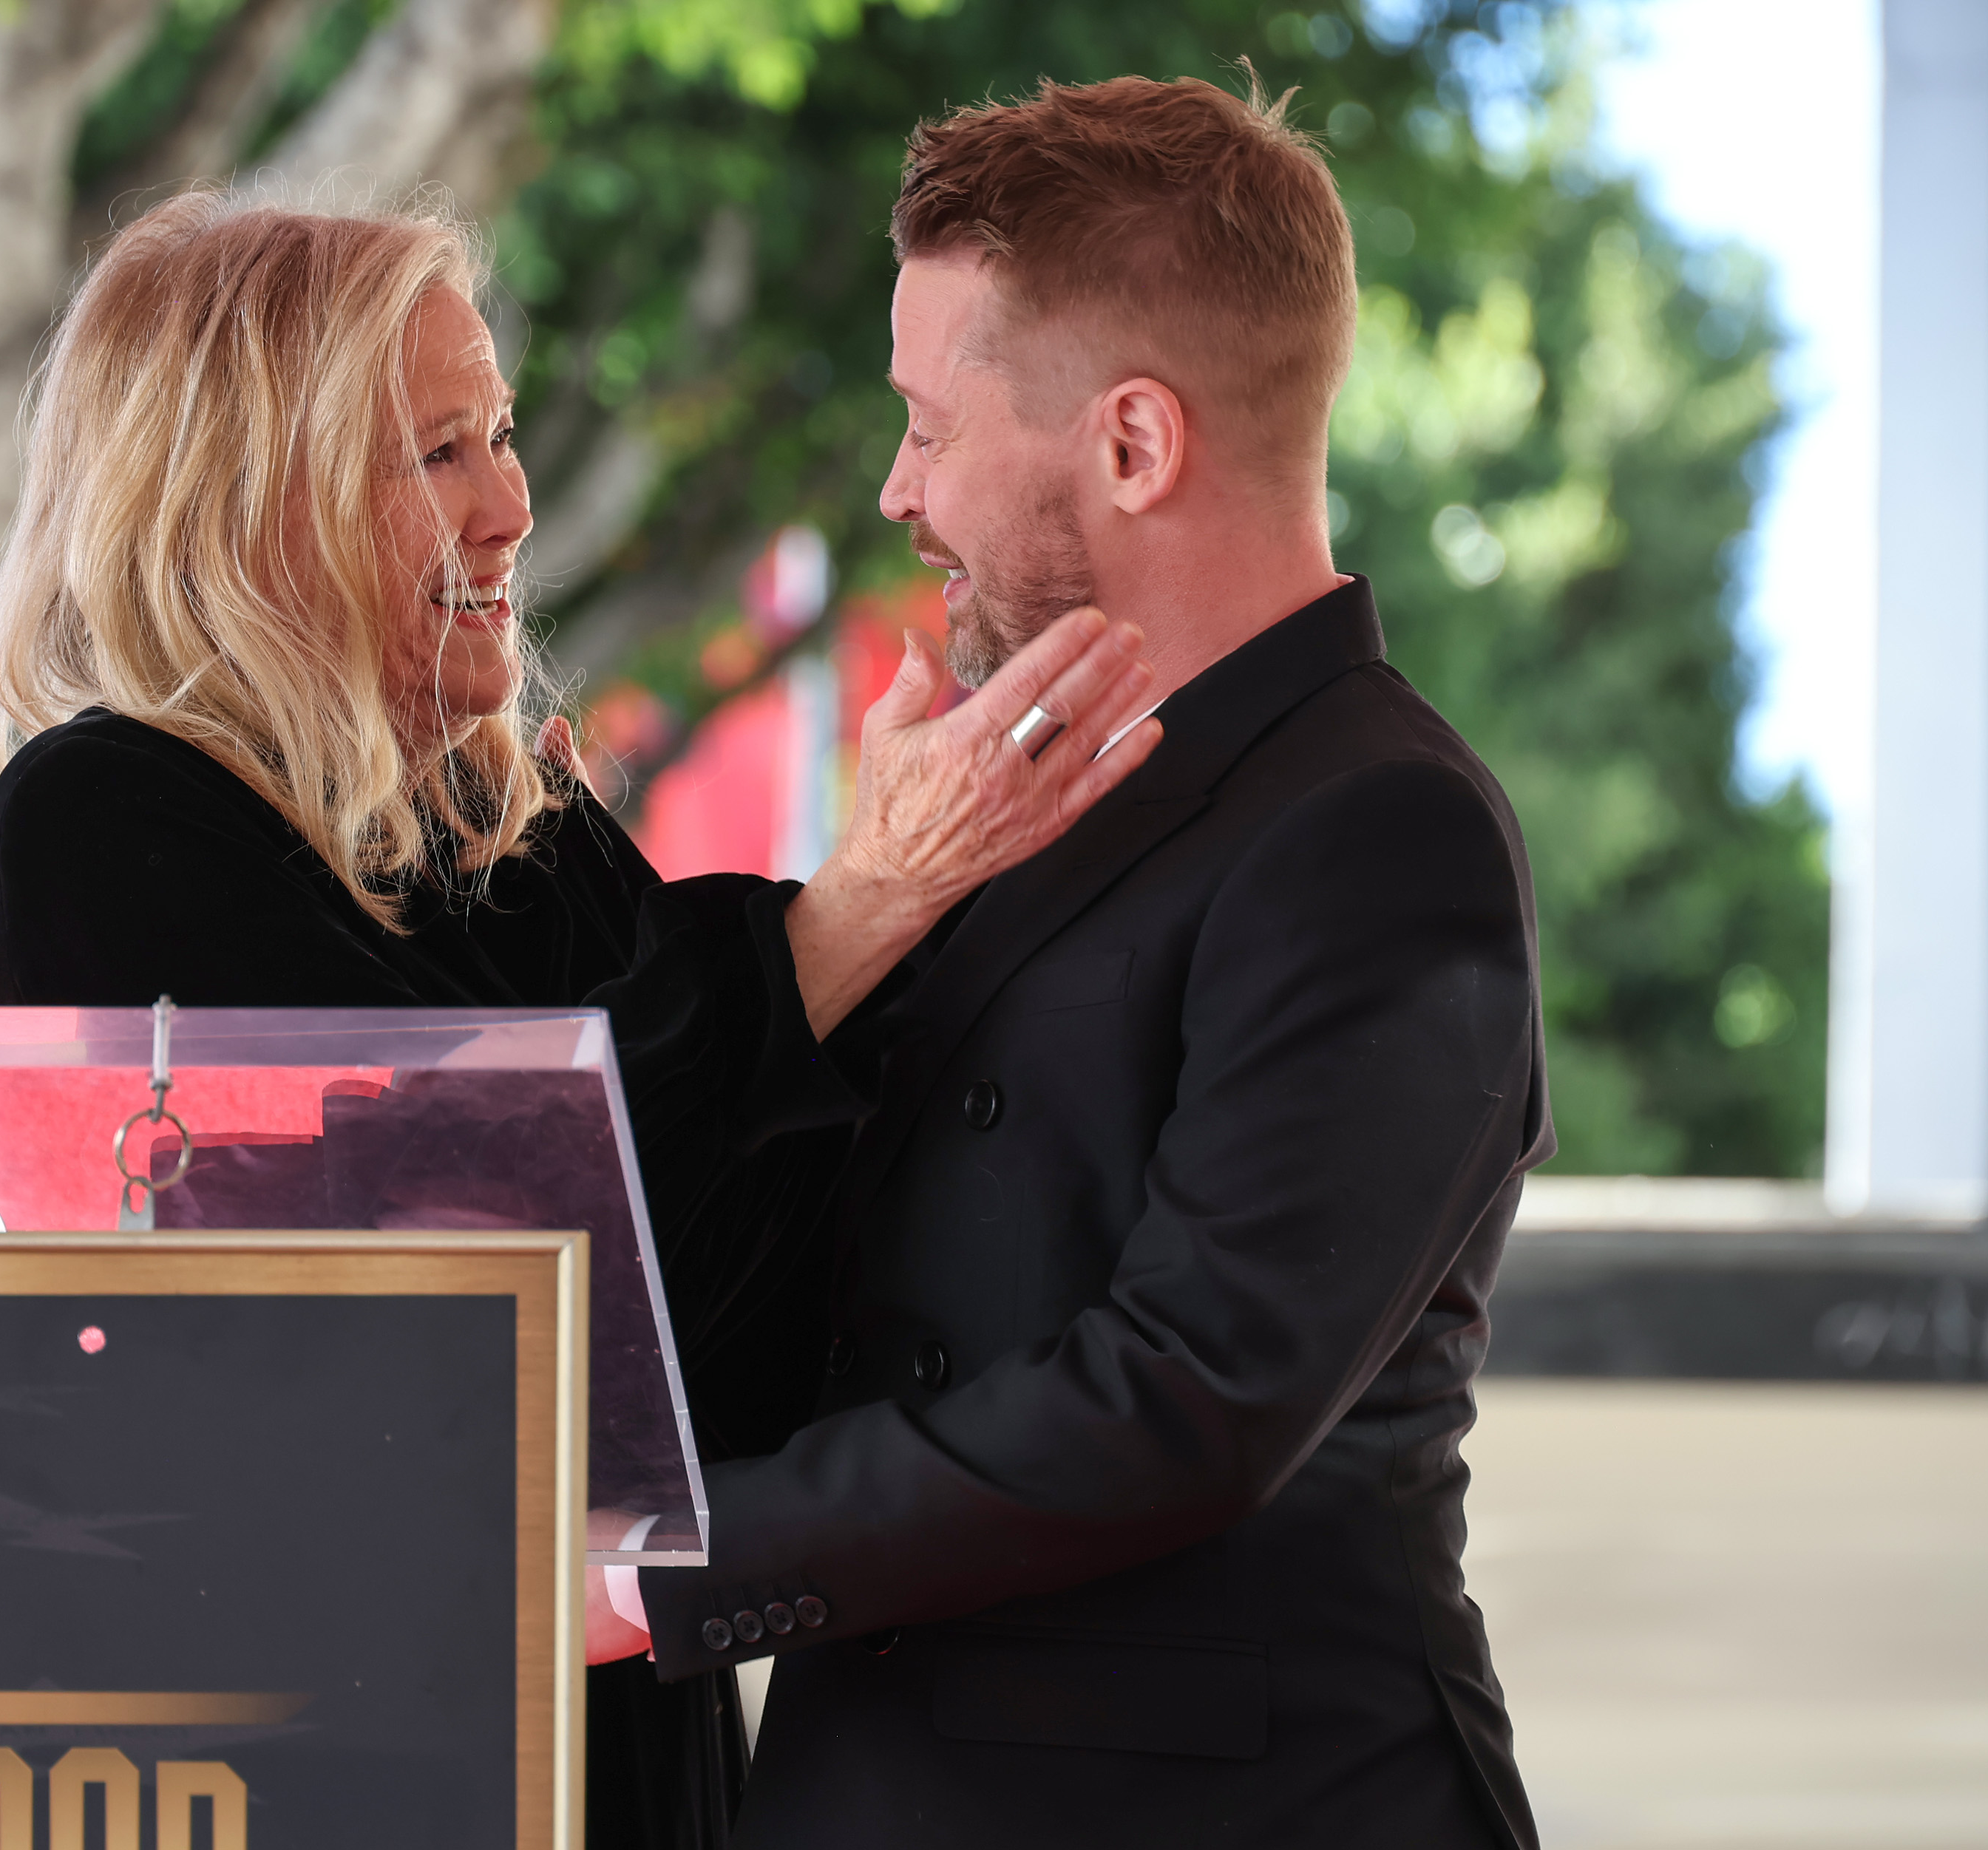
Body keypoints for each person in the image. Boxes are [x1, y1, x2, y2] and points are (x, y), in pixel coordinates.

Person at [0, 192, 1161, 1850]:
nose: (510, 507)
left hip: (623, 1743)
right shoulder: (102, 813)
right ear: (250, 499)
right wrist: (862, 906)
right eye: (436, 452)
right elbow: (447, 1236)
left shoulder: (519, 822)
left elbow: (713, 1339)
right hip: (335, 1749)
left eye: (503, 435)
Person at [586, 73, 1556, 1849]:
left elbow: (1190, 1392)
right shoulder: (1025, 787)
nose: (896, 489)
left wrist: (658, 1564)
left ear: (1132, 444)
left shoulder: (1384, 829)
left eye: (930, 428)